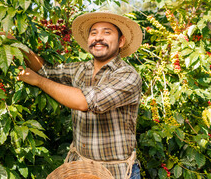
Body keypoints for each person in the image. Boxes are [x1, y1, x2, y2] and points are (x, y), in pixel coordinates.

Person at [15, 11, 143, 179]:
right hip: (81, 170)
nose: (98, 38)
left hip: (118, 173)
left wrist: (38, 81)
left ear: (121, 41)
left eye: (107, 32)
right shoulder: (81, 69)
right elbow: (46, 70)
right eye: (94, 33)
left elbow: (85, 101)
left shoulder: (128, 76)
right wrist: (15, 45)